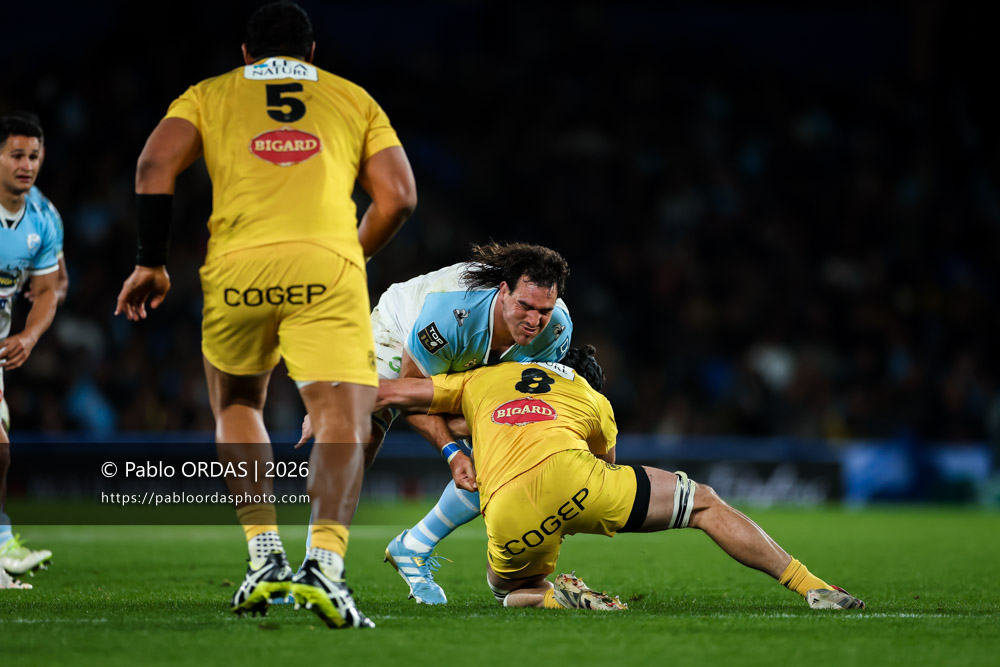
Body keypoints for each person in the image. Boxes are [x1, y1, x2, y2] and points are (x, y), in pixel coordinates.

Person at [114, 1, 416, 628]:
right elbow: (399, 197)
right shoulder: (352, 98)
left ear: (245, 55)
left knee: (238, 407)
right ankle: (326, 569)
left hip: (237, 267)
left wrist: (151, 262)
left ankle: (263, 558)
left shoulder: (208, 94)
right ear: (311, 54)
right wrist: (344, 255)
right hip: (326, 269)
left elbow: (152, 165)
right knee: (342, 417)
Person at [374, 345, 867, 611]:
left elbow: (395, 392)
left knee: (509, 590)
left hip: (504, 509)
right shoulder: (593, 398)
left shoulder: (483, 379)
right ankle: (812, 587)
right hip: (582, 482)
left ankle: (551, 597)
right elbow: (606, 464)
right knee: (703, 504)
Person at [297, 241, 572, 605]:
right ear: (503, 292)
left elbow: (518, 409)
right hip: (401, 334)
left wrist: (486, 430)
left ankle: (413, 547)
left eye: (544, 310)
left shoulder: (554, 333)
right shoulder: (450, 313)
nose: (534, 321)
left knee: (501, 458)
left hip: (469, 365)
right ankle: (316, 567)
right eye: (525, 306)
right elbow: (406, 395)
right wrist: (452, 451)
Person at [0, 114, 61, 589]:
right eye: (17, 155)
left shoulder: (43, 217)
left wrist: (29, 336)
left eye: (34, 156)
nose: (27, 165)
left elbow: (47, 291)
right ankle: (3, 545)